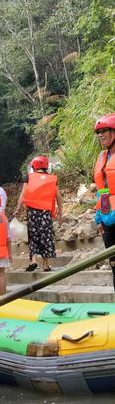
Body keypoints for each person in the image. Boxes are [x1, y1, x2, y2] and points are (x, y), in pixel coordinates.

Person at [14, 156, 63, 272]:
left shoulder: (29, 178)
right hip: (45, 213)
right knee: (46, 237)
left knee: (33, 237)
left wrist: (18, 208)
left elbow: (23, 194)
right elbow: (58, 197)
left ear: (34, 167)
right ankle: (46, 264)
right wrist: (61, 212)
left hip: (32, 213)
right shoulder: (51, 179)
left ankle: (34, 260)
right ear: (46, 166)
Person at [92, 113, 115, 290]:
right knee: (114, 266)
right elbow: (103, 191)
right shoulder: (102, 157)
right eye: (98, 132)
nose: (100, 135)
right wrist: (99, 217)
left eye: (104, 131)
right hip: (108, 220)